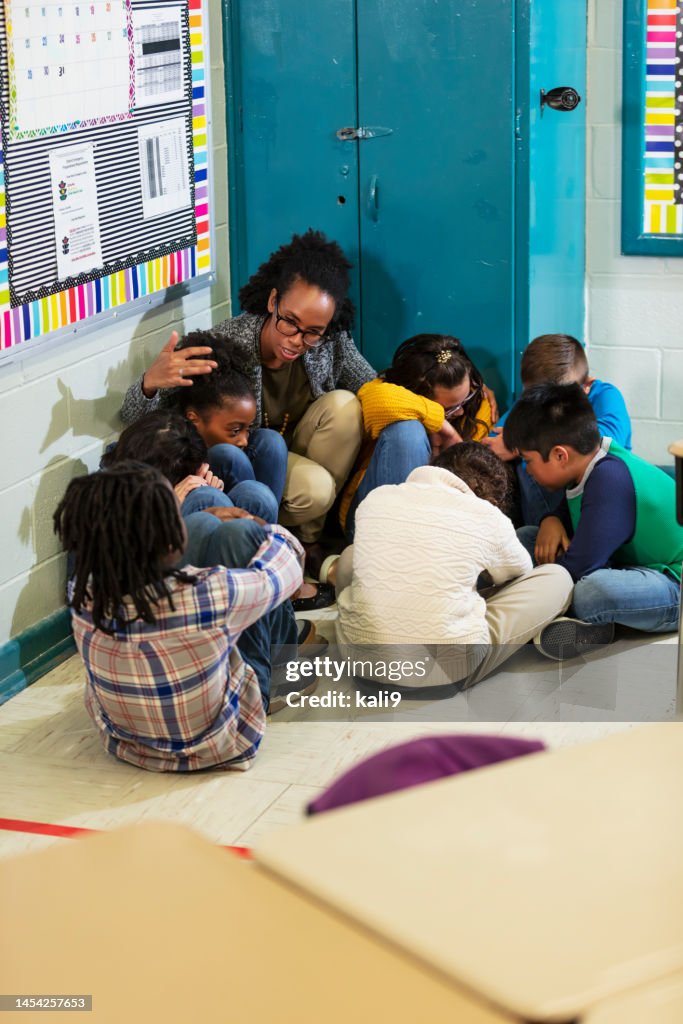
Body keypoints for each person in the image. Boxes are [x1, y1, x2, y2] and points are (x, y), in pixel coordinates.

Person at [120, 230, 377, 575]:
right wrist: (149, 384)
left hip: (296, 449)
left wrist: (436, 416)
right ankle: (272, 546)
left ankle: (307, 543)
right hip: (250, 459)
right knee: (306, 481)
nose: (298, 340)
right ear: (273, 302)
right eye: (290, 323)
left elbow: (372, 386)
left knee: (346, 405)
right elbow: (141, 422)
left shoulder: (331, 341)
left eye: (313, 331)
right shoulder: (228, 342)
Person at [53, 462, 311, 772]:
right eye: (175, 514)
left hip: (128, 745)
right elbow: (288, 567)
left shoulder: (85, 595)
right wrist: (259, 526)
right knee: (246, 540)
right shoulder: (211, 595)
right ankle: (281, 674)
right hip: (221, 746)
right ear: (169, 538)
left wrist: (207, 519)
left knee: (203, 522)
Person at [334, 442, 573, 691]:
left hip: (360, 666)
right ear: (492, 499)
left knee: (351, 556)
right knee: (557, 577)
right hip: (445, 673)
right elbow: (519, 573)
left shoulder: (377, 498)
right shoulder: (487, 515)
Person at [503, 383, 683, 658]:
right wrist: (552, 518)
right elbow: (575, 508)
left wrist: (521, 594)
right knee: (528, 536)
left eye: (528, 460)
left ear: (560, 455)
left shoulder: (609, 479)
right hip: (630, 563)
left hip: (673, 582)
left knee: (592, 592)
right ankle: (596, 624)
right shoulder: (589, 461)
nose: (527, 471)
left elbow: (577, 567)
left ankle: (594, 620)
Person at [339, 334, 495, 540]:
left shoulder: (476, 405)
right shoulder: (389, 394)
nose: (460, 413)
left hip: (440, 525)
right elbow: (374, 396)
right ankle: (397, 549)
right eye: (450, 408)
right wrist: (440, 422)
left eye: (466, 398)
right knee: (407, 431)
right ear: (414, 394)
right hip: (374, 523)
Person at [483, 334, 632, 525]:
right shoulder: (534, 400)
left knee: (535, 454)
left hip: (601, 499)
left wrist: (519, 444)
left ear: (586, 386)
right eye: (534, 398)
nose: (544, 409)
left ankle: (550, 528)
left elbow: (603, 443)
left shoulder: (605, 395)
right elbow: (496, 440)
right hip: (550, 506)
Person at [102, 410, 279, 528]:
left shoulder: (143, 456)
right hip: (158, 571)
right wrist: (168, 508)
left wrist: (216, 493)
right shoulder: (101, 503)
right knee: (207, 498)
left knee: (255, 494)